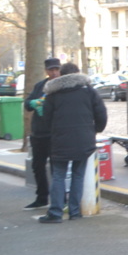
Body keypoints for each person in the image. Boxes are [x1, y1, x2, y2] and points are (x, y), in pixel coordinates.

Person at [38, 63, 107, 224]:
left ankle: (55, 212)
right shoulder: (89, 91)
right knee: (78, 175)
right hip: (84, 139)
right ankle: (75, 211)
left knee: (58, 175)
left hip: (60, 139)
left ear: (62, 75)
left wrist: (54, 131)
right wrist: (94, 130)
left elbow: (46, 118)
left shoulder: (53, 94)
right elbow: (101, 114)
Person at [23, 57, 62, 210]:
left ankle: (59, 199)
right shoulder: (40, 86)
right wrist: (33, 103)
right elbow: (27, 104)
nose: (54, 73)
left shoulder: (62, 87)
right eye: (51, 70)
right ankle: (42, 197)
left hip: (55, 133)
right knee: (37, 166)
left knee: (56, 168)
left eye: (56, 69)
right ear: (46, 71)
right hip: (39, 133)